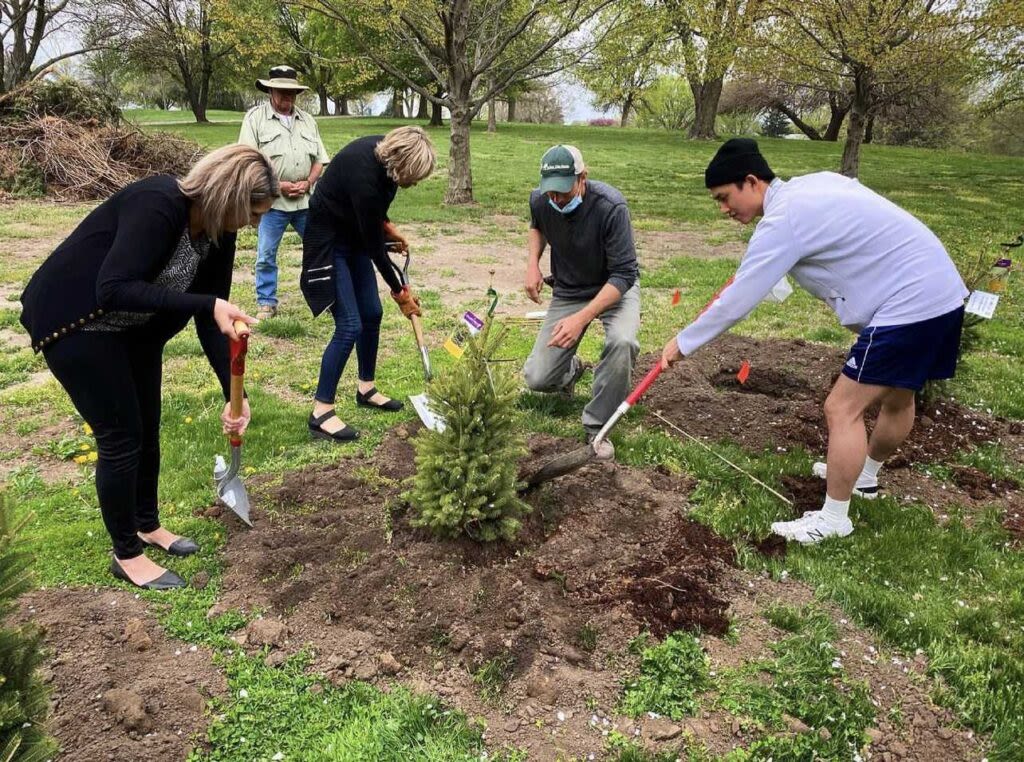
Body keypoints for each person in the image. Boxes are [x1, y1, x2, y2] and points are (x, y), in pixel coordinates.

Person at [661, 138, 968, 544]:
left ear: (752, 182)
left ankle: (834, 518)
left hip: (909, 304)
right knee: (899, 396)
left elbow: (736, 304)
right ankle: (866, 478)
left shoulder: (783, 220)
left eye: (724, 197)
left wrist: (682, 343)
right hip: (943, 292)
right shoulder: (814, 185)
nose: (723, 209)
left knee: (841, 409)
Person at [19, 145, 277, 589]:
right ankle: (127, 553)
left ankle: (146, 523)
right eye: (252, 213)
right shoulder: (157, 204)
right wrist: (209, 302)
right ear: (230, 197)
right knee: (121, 437)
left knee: (148, 427)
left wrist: (237, 396)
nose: (254, 225)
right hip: (76, 323)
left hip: (132, 331)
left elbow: (212, 318)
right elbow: (112, 289)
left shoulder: (218, 232)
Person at [300, 126, 436, 442]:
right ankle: (321, 411)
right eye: (412, 176)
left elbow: (373, 220)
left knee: (371, 314)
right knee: (349, 325)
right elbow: (374, 247)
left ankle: (366, 388)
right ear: (399, 164)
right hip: (329, 244)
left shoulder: (385, 162)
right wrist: (401, 292)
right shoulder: (365, 175)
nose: (414, 184)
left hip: (354, 237)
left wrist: (390, 230)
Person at [523, 144, 641, 460]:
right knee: (538, 378)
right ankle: (570, 372)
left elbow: (624, 274)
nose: (556, 199)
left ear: (582, 178)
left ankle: (597, 426)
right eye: (551, 192)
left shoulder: (611, 207)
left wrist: (582, 319)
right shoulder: (541, 199)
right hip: (570, 289)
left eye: (563, 191)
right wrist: (533, 262)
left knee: (622, 342)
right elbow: (537, 224)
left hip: (613, 289)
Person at [239, 65, 329, 319]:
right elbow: (247, 161)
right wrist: (277, 186)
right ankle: (267, 301)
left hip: (305, 202)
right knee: (266, 253)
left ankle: (326, 295)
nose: (287, 98)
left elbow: (320, 159)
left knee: (321, 248)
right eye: (281, 92)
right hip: (271, 203)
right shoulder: (255, 119)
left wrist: (309, 181)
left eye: (291, 93)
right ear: (271, 91)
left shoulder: (308, 120)